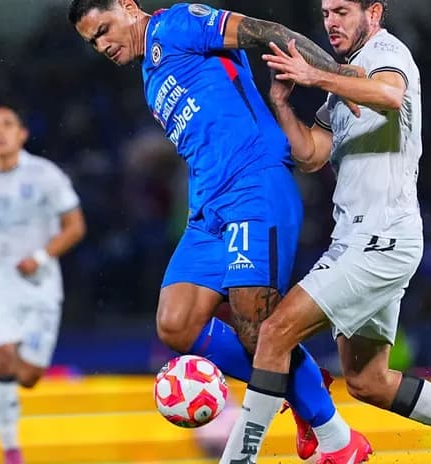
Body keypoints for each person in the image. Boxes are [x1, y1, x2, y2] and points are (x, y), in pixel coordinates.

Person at [218, 1, 431, 463]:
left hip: (380, 239)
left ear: (373, 12)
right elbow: (311, 155)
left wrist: (316, 75)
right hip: (358, 240)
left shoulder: (387, 53)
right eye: (325, 13)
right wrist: (282, 105)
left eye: (342, 11)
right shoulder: (343, 84)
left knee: (274, 333)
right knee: (368, 381)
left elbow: (389, 95)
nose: (331, 22)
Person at [67, 0, 365, 460]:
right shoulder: (150, 77)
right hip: (207, 211)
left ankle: (337, 439)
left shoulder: (179, 24)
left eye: (104, 29)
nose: (102, 45)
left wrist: (338, 77)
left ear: (128, 7)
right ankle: (299, 381)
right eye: (92, 42)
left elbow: (266, 30)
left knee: (256, 330)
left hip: (254, 188)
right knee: (175, 324)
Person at [0, 106, 87, 464]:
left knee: (28, 376)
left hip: (39, 284)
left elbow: (75, 226)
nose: (0, 131)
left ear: (22, 134)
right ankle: (10, 450)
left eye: (7, 124)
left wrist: (39, 257)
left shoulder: (46, 175)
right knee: (2, 358)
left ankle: (13, 423)